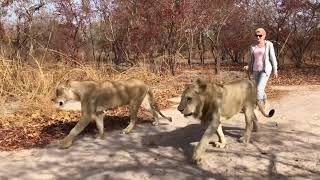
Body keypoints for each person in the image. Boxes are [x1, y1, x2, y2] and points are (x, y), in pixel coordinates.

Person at [244, 28, 279, 109]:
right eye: (256, 36)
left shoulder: (269, 44)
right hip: (255, 70)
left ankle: (260, 105)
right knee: (258, 88)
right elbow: (252, 59)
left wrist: (275, 70)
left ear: (264, 35)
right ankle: (265, 101)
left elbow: (273, 58)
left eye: (260, 35)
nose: (258, 37)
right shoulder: (253, 46)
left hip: (265, 70)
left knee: (259, 88)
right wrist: (248, 66)